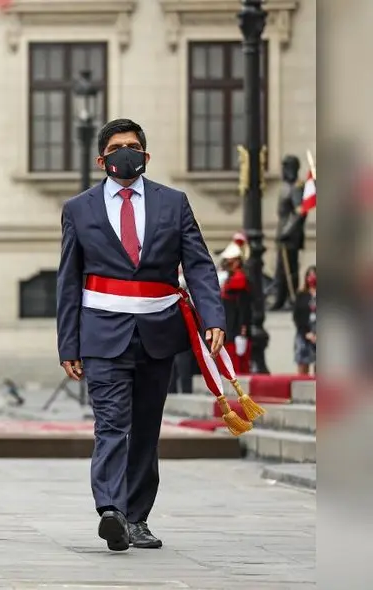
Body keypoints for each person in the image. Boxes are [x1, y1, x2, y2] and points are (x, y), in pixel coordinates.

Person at [56, 119, 225, 552]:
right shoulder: (79, 208)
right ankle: (110, 510)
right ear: (101, 159)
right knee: (111, 423)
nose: (125, 153)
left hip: (158, 331)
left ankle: (137, 517)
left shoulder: (174, 203)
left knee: (146, 429)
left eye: (133, 146)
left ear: (146, 156)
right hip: (101, 334)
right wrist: (68, 343)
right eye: (116, 147)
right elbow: (69, 280)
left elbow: (200, 264)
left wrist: (213, 317)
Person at [271, 155, 307, 311]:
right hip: (283, 233)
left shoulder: (297, 187)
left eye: (286, 167)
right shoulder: (286, 186)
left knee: (290, 268)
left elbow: (300, 212)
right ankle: (280, 298)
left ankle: (291, 299)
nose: (284, 170)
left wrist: (286, 232)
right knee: (281, 269)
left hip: (291, 235)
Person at [219, 243, 252, 375]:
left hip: (236, 325)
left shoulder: (240, 278)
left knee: (237, 362)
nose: (227, 262)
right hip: (229, 324)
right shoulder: (231, 277)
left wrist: (243, 328)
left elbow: (242, 305)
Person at [293, 266, 317, 375]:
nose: (312, 278)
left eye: (314, 275)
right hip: (304, 334)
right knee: (303, 364)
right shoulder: (301, 295)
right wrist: (306, 333)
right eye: (309, 275)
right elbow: (297, 316)